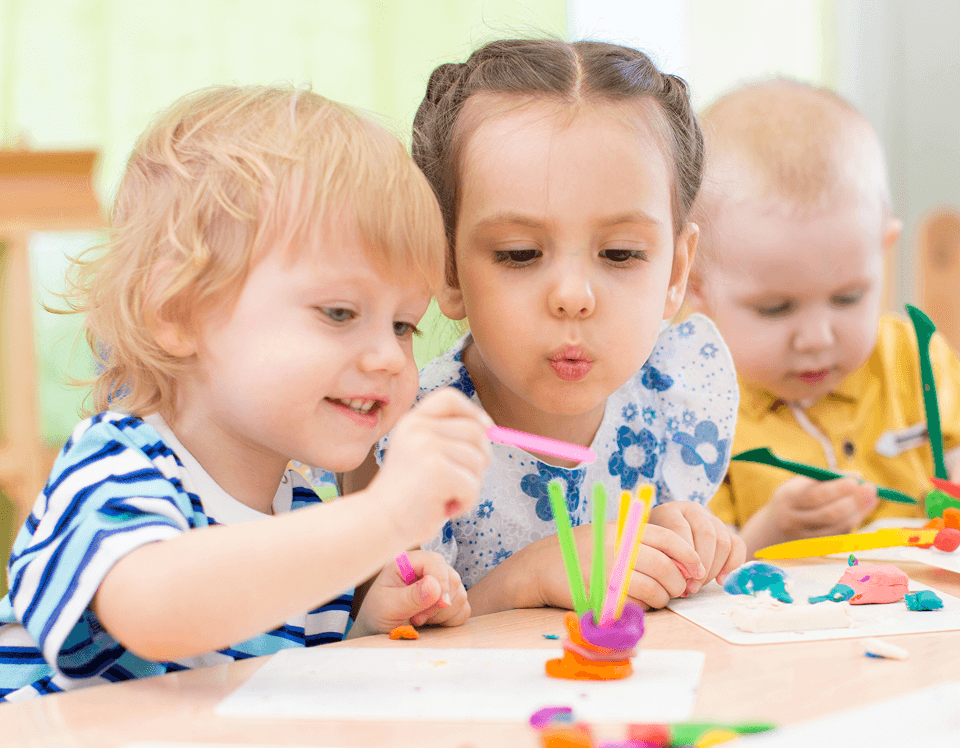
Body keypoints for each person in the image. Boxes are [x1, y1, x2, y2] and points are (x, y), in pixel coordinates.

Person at [0, 84, 492, 701]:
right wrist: (382, 516)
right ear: (175, 312)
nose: (389, 358)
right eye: (340, 313)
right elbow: (160, 611)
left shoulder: (304, 498)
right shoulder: (114, 466)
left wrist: (367, 625)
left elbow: (262, 675)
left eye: (402, 325)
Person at [351, 39, 746, 617]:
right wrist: (531, 577)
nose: (572, 297)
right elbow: (383, 651)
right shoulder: (408, 443)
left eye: (618, 253)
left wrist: (681, 543)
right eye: (518, 254)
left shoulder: (672, 405)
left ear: (676, 271)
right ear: (447, 267)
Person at [686, 78, 960, 557]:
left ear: (882, 255)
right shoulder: (691, 405)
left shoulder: (917, 359)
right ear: (695, 287)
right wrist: (770, 532)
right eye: (776, 308)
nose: (816, 338)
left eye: (848, 297)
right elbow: (698, 579)